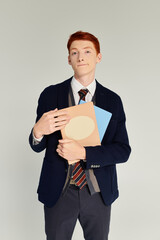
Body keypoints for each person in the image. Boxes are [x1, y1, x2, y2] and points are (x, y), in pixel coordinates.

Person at [29, 31, 131, 240]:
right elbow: (38, 145)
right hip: (59, 191)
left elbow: (123, 150)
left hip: (98, 191)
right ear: (68, 59)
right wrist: (37, 131)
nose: (80, 57)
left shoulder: (112, 101)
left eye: (87, 51)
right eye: (74, 53)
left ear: (98, 57)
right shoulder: (50, 95)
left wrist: (84, 153)